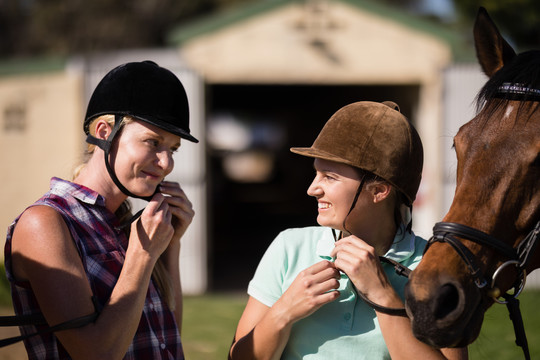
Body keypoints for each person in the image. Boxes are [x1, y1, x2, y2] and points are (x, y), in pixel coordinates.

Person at [229, 101, 468, 359]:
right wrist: (284, 311)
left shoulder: (436, 265)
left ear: (379, 190)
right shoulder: (289, 247)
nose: (312, 189)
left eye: (329, 177)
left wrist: (382, 294)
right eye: (316, 173)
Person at [4, 61, 198, 359]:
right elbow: (96, 354)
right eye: (153, 142)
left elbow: (165, 339)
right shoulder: (46, 223)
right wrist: (143, 255)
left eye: (172, 149)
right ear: (105, 132)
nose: (167, 163)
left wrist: (170, 246)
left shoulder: (128, 223)